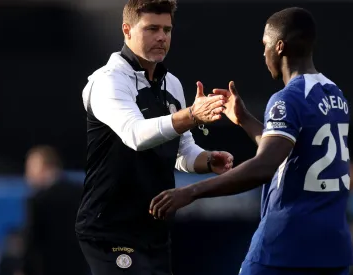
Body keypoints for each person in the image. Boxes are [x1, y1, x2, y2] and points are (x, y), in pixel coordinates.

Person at [150, 7, 353, 275]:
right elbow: (291, 154)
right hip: (332, 249)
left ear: (279, 47)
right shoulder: (335, 95)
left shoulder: (287, 98)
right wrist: (244, 118)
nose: (263, 53)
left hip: (286, 247)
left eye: (265, 44)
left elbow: (264, 166)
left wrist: (191, 192)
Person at [75, 0, 234, 274]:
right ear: (127, 30)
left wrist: (207, 160)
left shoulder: (171, 84)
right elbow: (135, 134)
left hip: (154, 231)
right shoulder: (108, 80)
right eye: (151, 28)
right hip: (110, 230)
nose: (161, 37)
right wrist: (191, 115)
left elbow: (181, 152)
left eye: (167, 29)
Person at [23, 145, 88, 275]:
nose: (28, 173)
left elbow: (33, 243)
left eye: (31, 167)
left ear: (45, 166)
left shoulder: (38, 200)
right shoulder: (81, 191)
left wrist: (26, 269)